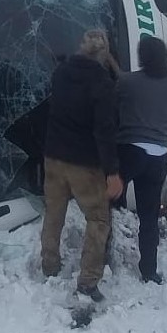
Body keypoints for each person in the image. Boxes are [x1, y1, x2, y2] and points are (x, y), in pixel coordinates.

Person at [39, 30, 123, 301]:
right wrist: (112, 172)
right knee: (98, 219)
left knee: (53, 214)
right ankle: (87, 282)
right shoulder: (101, 82)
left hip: (53, 157)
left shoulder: (60, 73)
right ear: (104, 56)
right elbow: (105, 130)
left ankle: (49, 265)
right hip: (84, 165)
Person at [115, 35, 167, 284]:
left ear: (142, 57)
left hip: (129, 152)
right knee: (149, 217)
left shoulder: (129, 82)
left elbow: (114, 99)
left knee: (107, 203)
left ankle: (102, 257)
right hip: (158, 158)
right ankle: (149, 271)